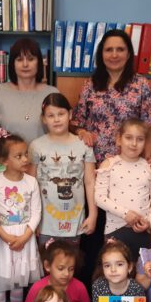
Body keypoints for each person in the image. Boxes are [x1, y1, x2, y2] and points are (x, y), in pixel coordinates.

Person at [0, 129, 42, 302]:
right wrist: (5, 235)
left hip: (24, 238)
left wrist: (25, 237)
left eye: (25, 154)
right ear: (4, 160)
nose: (25, 159)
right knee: (0, 283)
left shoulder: (31, 182)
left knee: (18, 284)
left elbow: (36, 212)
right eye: (18, 156)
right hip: (2, 239)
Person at [72, 29, 151, 164]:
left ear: (129, 53)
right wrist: (82, 133)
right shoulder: (90, 85)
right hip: (93, 162)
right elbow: (77, 124)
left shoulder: (141, 84)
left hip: (129, 162)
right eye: (108, 50)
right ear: (101, 54)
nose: (114, 55)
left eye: (120, 49)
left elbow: (148, 128)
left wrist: (147, 159)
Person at [29, 92, 97, 246]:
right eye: (51, 115)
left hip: (75, 221)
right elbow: (30, 184)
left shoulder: (83, 145)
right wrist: (32, 220)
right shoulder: (36, 146)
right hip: (45, 223)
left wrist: (93, 215)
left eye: (61, 114)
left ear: (70, 114)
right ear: (44, 119)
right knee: (47, 266)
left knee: (70, 266)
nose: (57, 119)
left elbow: (90, 182)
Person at [94, 118, 151, 261]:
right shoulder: (108, 164)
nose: (134, 143)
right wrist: (125, 214)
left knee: (143, 274)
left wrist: (149, 222)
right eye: (128, 138)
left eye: (140, 139)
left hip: (143, 230)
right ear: (119, 139)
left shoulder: (150, 167)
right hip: (115, 230)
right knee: (114, 273)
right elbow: (99, 197)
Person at [0, 37, 59, 144]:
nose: (25, 64)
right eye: (19, 59)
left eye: (31, 59)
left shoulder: (52, 94)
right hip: (8, 159)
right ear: (12, 64)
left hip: (44, 159)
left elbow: (60, 132)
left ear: (39, 62)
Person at [23, 239, 90, 302]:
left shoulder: (79, 287)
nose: (66, 274)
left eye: (71, 269)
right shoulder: (38, 287)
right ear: (47, 266)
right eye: (61, 268)